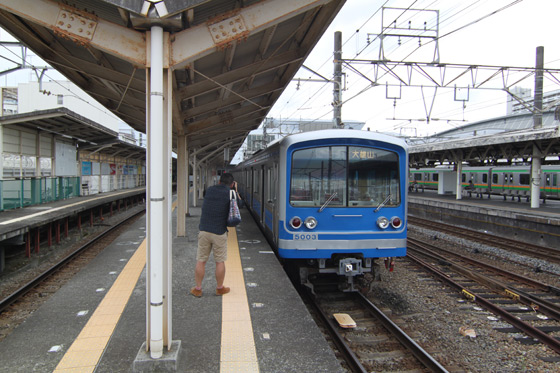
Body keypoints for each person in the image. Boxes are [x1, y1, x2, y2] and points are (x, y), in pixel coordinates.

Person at [190, 173, 238, 297]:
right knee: (219, 261)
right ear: (232, 184)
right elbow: (237, 208)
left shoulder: (210, 190)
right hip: (219, 232)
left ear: (219, 182)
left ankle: (198, 289)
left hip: (204, 230)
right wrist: (235, 191)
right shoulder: (230, 193)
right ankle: (219, 288)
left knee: (201, 260)